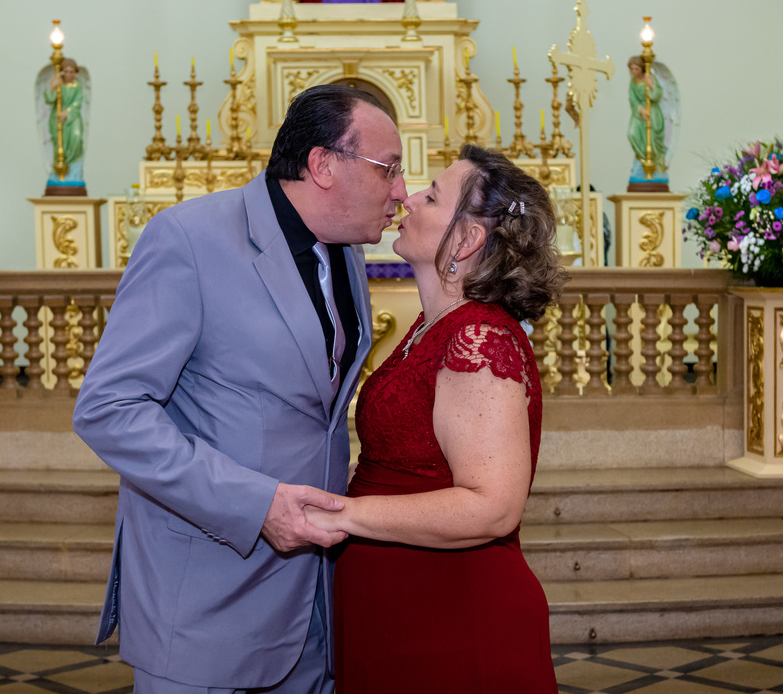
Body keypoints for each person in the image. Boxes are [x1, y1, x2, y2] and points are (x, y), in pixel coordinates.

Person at [73, 84, 407, 694]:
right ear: (324, 164)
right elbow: (109, 409)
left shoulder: (347, 256)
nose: (403, 193)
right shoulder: (189, 239)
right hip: (206, 602)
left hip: (313, 605)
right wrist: (256, 506)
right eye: (390, 170)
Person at [306, 144, 564, 693]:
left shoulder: (477, 337)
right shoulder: (434, 325)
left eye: (431, 195)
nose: (407, 197)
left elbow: (491, 507)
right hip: (404, 607)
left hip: (452, 615)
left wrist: (347, 516)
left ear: (468, 239)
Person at [43, 57, 86, 185]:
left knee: (77, 138)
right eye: (66, 71)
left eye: (72, 71)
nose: (69, 74)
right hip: (58, 119)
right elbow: (50, 99)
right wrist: (54, 86)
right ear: (62, 72)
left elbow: (78, 102)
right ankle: (59, 170)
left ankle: (73, 169)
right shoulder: (59, 84)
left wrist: (67, 112)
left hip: (72, 117)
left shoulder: (77, 86)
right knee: (58, 144)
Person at [627, 55, 666, 179]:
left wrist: (651, 85)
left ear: (642, 69)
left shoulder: (649, 77)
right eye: (631, 69)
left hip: (652, 113)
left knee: (652, 140)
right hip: (639, 113)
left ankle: (654, 167)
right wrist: (640, 109)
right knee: (632, 133)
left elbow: (657, 95)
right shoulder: (633, 82)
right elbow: (632, 99)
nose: (633, 72)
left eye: (636, 69)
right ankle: (643, 161)